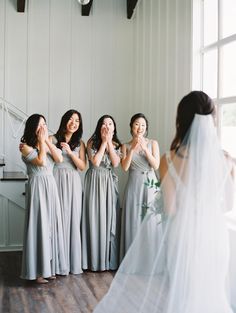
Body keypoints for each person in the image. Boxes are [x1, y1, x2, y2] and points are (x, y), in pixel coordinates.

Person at [93, 91, 235, 313]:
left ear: (181, 120)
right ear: (212, 119)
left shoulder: (169, 159)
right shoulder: (227, 160)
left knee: (184, 294)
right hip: (215, 236)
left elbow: (170, 208)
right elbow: (228, 206)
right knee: (213, 291)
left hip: (184, 237)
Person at [20, 114, 68, 284]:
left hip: (50, 185)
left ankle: (49, 268)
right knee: (39, 225)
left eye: (45, 125)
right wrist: (42, 141)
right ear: (33, 127)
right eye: (40, 125)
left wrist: (47, 141)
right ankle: (37, 271)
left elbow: (60, 159)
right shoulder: (24, 146)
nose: (44, 128)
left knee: (51, 226)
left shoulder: (48, 143)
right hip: (37, 186)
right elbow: (41, 161)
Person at [82, 115, 121, 271]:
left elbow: (116, 163)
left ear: (114, 127)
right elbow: (96, 162)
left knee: (108, 217)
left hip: (108, 182)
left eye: (110, 123)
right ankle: (93, 260)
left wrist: (109, 143)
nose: (107, 126)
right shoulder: (92, 142)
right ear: (99, 127)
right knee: (93, 217)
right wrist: (104, 142)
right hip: (94, 180)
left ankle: (108, 260)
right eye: (104, 124)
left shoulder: (117, 145)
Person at [120, 113, 161, 260]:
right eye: (137, 124)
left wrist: (145, 149)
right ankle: (132, 260)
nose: (140, 128)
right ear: (131, 126)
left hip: (150, 184)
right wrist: (132, 149)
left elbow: (156, 165)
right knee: (133, 221)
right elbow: (124, 167)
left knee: (151, 222)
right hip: (134, 184)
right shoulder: (124, 145)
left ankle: (150, 260)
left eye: (143, 125)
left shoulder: (153, 143)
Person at [50, 109, 86, 274]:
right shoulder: (53, 138)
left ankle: (71, 262)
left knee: (72, 218)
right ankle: (56, 263)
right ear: (64, 121)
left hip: (73, 181)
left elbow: (82, 166)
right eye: (71, 119)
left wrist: (71, 153)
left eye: (77, 120)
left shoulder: (81, 143)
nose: (73, 123)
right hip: (56, 178)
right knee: (57, 219)